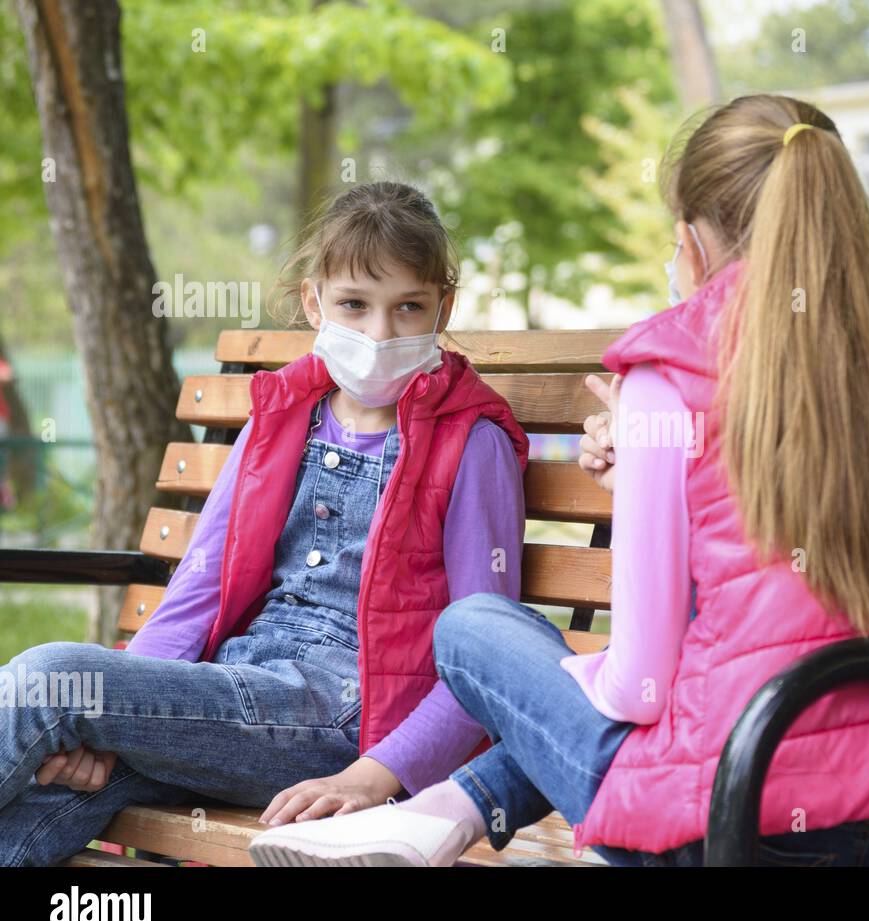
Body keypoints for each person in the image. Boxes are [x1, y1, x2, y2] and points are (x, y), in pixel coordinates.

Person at [248, 96, 869, 868]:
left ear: (691, 241)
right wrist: (652, 481)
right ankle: (443, 814)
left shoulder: (675, 366)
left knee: (474, 630)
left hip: (731, 826)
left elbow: (640, 686)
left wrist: (559, 676)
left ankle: (446, 812)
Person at [0, 182, 527, 866]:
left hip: (344, 718)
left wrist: (375, 774)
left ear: (443, 308)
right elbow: (201, 584)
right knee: (44, 796)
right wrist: (106, 725)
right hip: (237, 693)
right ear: (314, 303)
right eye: (354, 306)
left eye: (408, 309)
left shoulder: (469, 443)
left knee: (50, 679)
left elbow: (485, 657)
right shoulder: (282, 420)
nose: (379, 334)